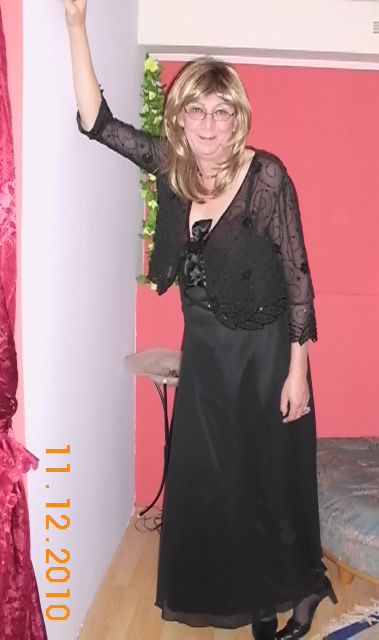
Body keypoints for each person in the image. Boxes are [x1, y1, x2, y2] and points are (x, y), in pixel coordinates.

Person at [62, 1, 337, 638]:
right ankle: (254, 598)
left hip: (267, 353)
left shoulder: (267, 177)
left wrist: (298, 370)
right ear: (180, 116)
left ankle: (298, 591)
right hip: (208, 356)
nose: (209, 125)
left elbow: (298, 276)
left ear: (237, 118)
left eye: (222, 112)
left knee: (271, 481)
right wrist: (76, 25)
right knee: (219, 483)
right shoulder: (172, 168)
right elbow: (96, 122)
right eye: (197, 110)